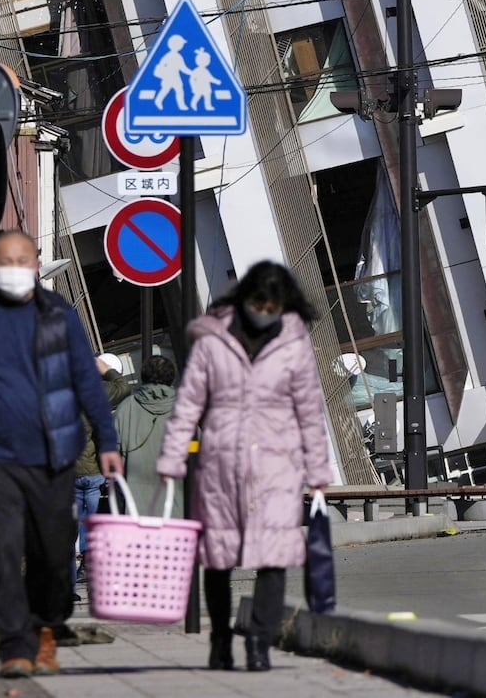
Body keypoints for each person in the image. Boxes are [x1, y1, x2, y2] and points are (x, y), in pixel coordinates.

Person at [0, 230, 122, 680]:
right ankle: (14, 645)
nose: (15, 267)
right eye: (5, 260)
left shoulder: (59, 315)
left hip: (53, 455)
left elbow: (86, 379)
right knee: (2, 551)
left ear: (36, 264)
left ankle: (46, 631)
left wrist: (108, 441)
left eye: (22, 259)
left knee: (53, 550)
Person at [158, 262, 331, 672]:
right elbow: (188, 404)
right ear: (244, 299)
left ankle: (258, 640)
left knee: (273, 558)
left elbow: (309, 409)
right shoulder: (212, 340)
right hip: (221, 464)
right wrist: (172, 457)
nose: (264, 310)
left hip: (277, 465)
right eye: (258, 302)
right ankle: (220, 639)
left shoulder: (293, 342)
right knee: (217, 558)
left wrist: (319, 472)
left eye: (272, 305)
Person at [71, 353, 133, 592]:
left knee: (72, 529)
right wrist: (106, 369)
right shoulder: (98, 395)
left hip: (72, 470)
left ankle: (70, 586)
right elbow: (123, 387)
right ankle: (96, 569)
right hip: (96, 470)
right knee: (96, 523)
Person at [112, 354, 178, 516]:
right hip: (177, 504)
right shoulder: (184, 409)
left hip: (134, 508)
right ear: (172, 378)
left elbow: (113, 452)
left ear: (143, 377)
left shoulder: (125, 408)